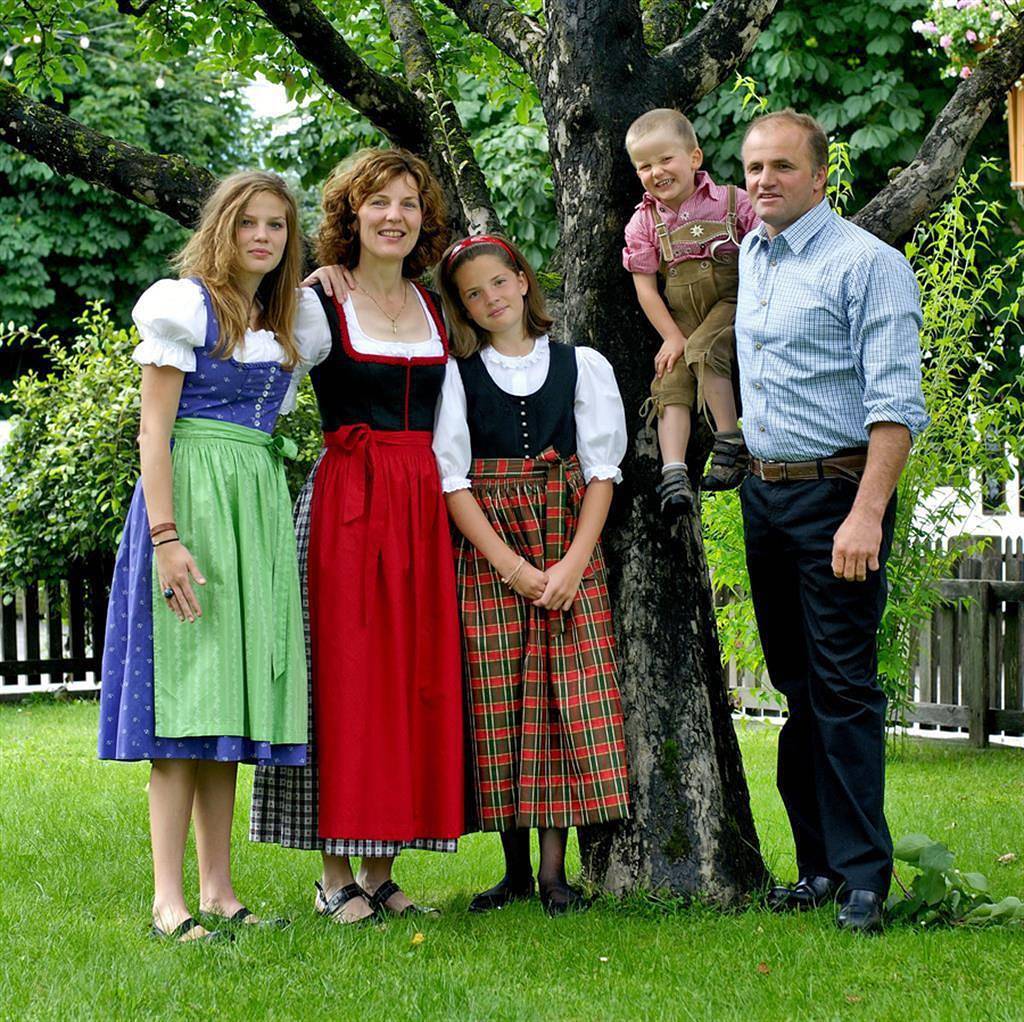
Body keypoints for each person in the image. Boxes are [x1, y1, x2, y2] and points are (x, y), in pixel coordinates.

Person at [98, 171, 329, 941]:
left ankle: (222, 891)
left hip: (254, 508)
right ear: (222, 229)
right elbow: (152, 434)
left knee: (227, 700)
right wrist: (165, 538)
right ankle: (169, 900)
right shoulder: (183, 307)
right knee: (184, 703)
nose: (262, 237)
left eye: (276, 226)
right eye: (248, 223)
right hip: (191, 504)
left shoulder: (291, 322)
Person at [249, 149, 464, 924]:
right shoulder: (317, 302)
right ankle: (332, 872)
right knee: (341, 681)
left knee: (407, 678)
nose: (394, 216)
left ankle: (382, 869)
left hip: (422, 509)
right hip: (346, 501)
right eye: (378, 202)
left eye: (408, 203)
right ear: (351, 214)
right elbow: (255, 382)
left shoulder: (439, 308)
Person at [736, 110, 928, 933]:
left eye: (781, 166)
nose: (764, 180)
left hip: (838, 499)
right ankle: (816, 867)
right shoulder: (751, 256)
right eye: (752, 169)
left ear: (820, 177)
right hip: (765, 496)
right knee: (797, 687)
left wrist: (866, 516)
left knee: (844, 690)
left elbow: (895, 407)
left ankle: (863, 881)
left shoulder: (867, 265)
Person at [433, 234, 631, 915]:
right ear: (463, 308)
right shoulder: (457, 376)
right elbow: (453, 483)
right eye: (472, 294)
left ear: (522, 280)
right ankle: (514, 869)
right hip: (494, 554)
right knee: (499, 702)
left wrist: (573, 563)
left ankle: (555, 873)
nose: (490, 298)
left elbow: (601, 472)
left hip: (566, 539)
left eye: (498, 282)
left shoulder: (582, 366)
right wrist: (513, 569)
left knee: (561, 701)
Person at [622, 108, 760, 518]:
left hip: (731, 303)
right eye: (644, 166)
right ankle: (675, 472)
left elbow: (766, 256)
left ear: (694, 158)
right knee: (670, 377)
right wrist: (671, 336)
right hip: (681, 316)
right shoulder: (644, 222)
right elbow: (646, 289)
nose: (657, 172)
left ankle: (730, 440)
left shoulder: (734, 202)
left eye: (666, 159)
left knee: (704, 348)